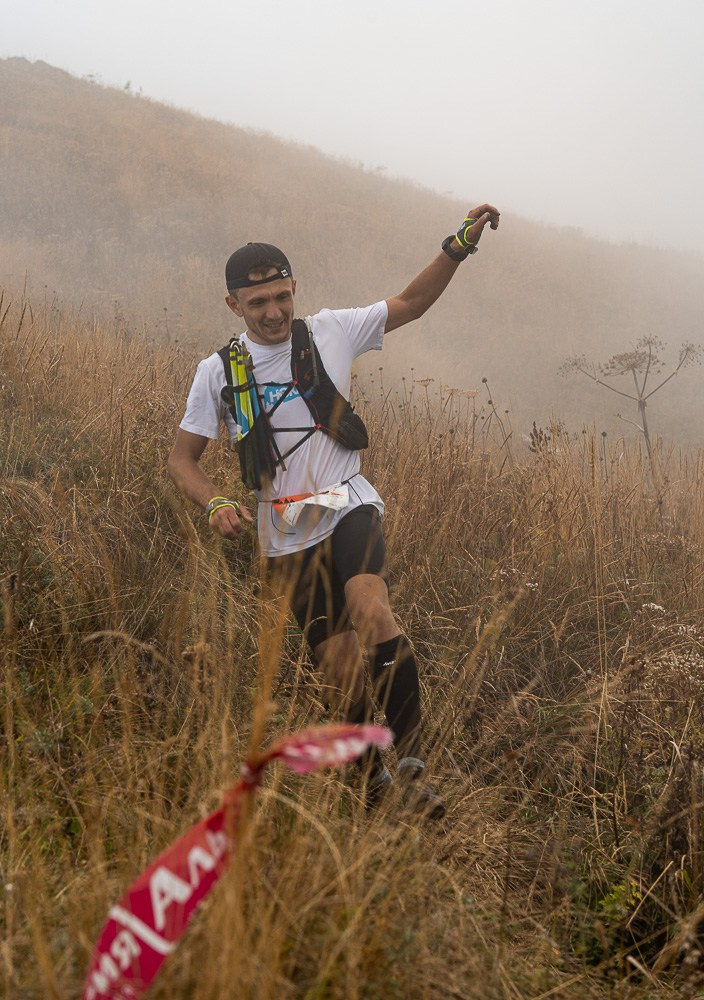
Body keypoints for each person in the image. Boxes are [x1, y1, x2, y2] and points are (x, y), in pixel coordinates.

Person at [168, 205, 500, 817]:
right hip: (283, 531)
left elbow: (411, 303)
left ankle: (412, 765)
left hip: (348, 502)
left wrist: (457, 246)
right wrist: (213, 500)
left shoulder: (330, 331)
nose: (273, 311)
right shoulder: (217, 373)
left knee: (368, 603)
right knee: (338, 667)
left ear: (294, 288)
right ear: (233, 304)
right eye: (257, 302)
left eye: (281, 296)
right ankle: (374, 788)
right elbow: (182, 459)